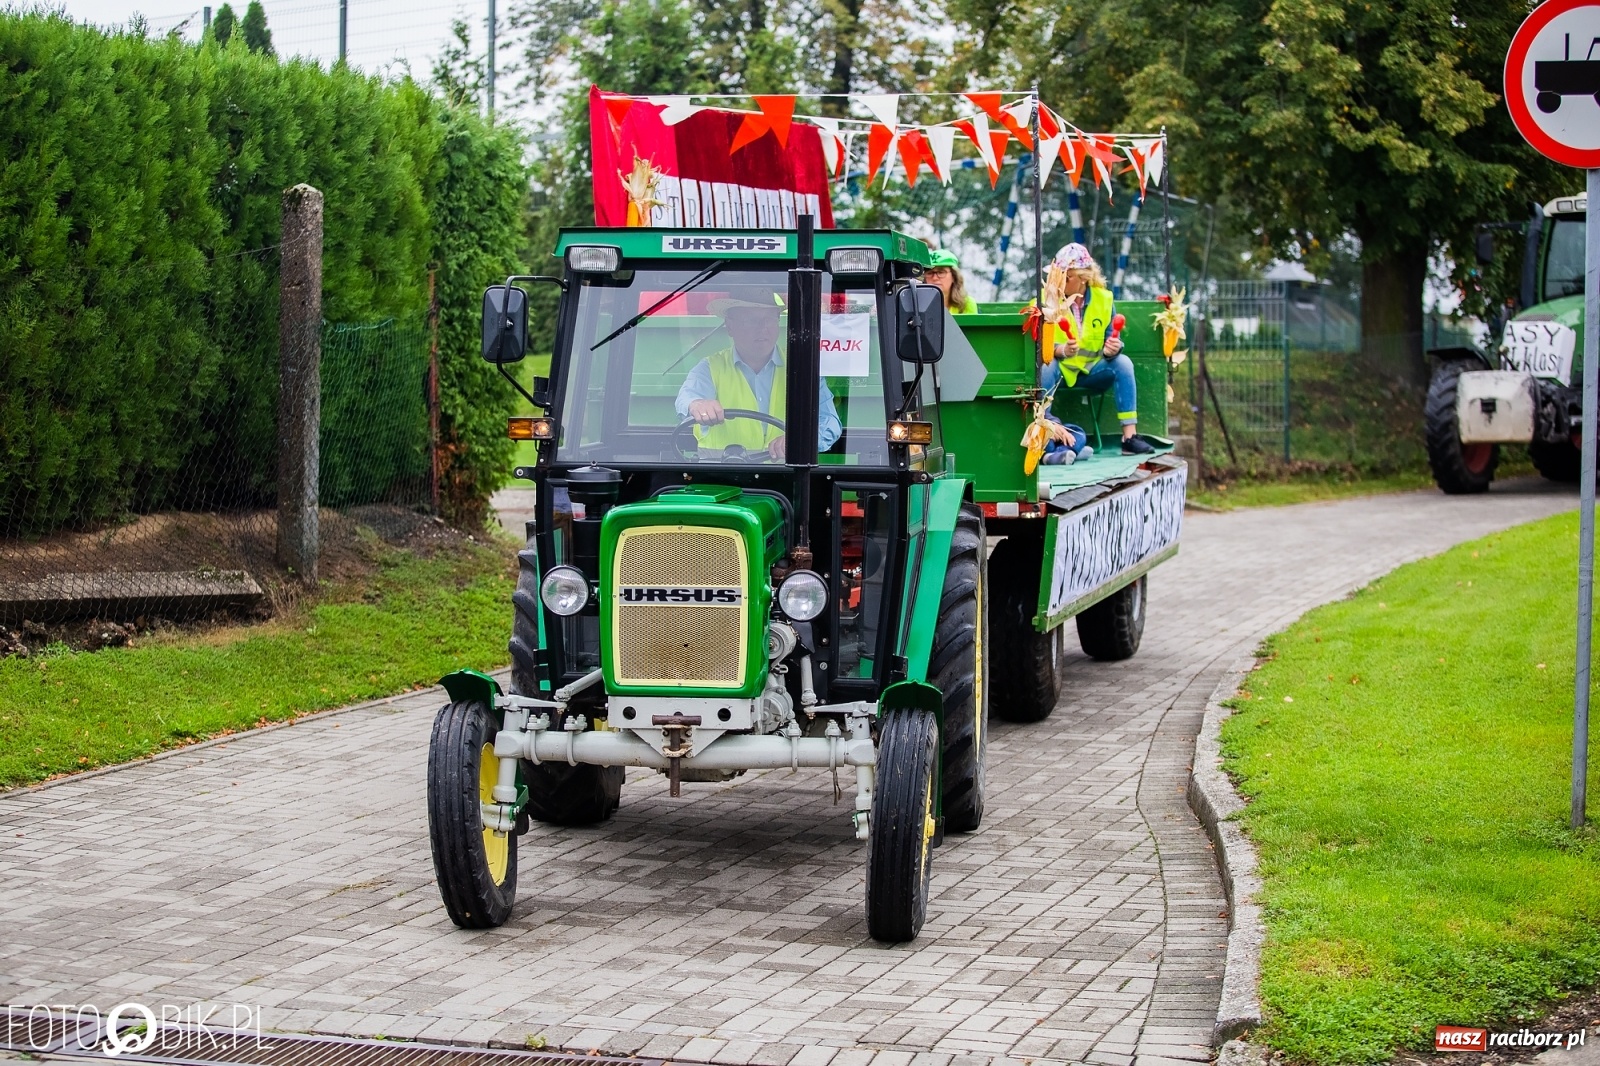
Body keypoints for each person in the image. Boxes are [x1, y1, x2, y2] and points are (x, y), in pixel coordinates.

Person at [674, 290, 842, 461]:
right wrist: (697, 405)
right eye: (751, 321)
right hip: (719, 479)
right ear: (730, 326)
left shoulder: (803, 369)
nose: (763, 328)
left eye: (769, 319)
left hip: (785, 481)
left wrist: (800, 441)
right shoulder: (709, 368)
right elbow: (687, 398)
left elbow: (830, 422)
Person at [1037, 243, 1154, 455]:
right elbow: (1037, 344)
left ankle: (1129, 437)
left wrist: (1113, 348)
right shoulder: (1045, 301)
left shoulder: (1104, 299)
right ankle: (1043, 434)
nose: (1059, 281)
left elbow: (1111, 338)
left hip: (1091, 371)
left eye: (1067, 276)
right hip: (1059, 371)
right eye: (1057, 275)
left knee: (1123, 363)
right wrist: (1060, 350)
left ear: (1083, 277)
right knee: (1045, 365)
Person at [924, 250, 978, 314]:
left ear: (953, 277)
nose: (935, 278)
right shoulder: (916, 302)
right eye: (930, 273)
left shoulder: (967, 304)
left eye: (941, 272)